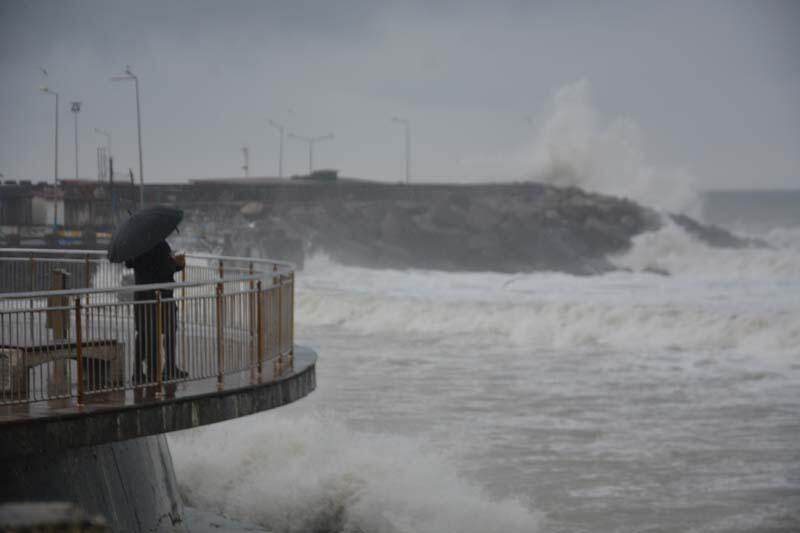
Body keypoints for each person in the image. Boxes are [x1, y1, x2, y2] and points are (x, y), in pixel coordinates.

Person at [125, 240, 187, 382]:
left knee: (144, 332)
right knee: (170, 330)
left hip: (142, 296)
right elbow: (165, 268)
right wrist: (179, 264)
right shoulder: (159, 245)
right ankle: (168, 368)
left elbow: (129, 263)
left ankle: (139, 371)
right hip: (162, 295)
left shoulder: (136, 245)